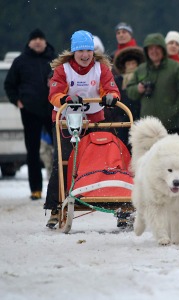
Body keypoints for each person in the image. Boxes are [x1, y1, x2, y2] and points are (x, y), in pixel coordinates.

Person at [43, 30, 120, 228]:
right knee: (63, 162)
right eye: (81, 51)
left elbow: (110, 88)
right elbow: (54, 93)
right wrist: (66, 99)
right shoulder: (63, 70)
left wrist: (112, 96)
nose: (85, 55)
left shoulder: (101, 68)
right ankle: (55, 206)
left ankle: (114, 200)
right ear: (73, 52)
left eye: (88, 50)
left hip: (94, 120)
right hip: (66, 122)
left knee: (104, 159)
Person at [4, 28, 56, 200]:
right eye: (35, 39)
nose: (38, 41)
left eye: (41, 38)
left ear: (45, 41)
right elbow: (9, 84)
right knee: (32, 151)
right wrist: (16, 100)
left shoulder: (54, 60)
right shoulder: (20, 61)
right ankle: (36, 189)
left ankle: (61, 186)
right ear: (29, 42)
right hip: (30, 111)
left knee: (60, 149)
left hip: (52, 109)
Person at [126, 33, 179, 134]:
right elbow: (129, 89)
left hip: (171, 126)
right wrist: (137, 89)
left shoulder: (176, 68)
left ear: (163, 49)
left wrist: (174, 111)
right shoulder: (141, 69)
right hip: (147, 127)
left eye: (157, 48)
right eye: (150, 48)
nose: (154, 51)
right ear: (146, 51)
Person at [112, 46, 145, 143]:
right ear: (124, 66)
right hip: (122, 120)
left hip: (139, 117)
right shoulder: (118, 80)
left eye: (133, 63)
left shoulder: (142, 79)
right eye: (128, 64)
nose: (131, 66)